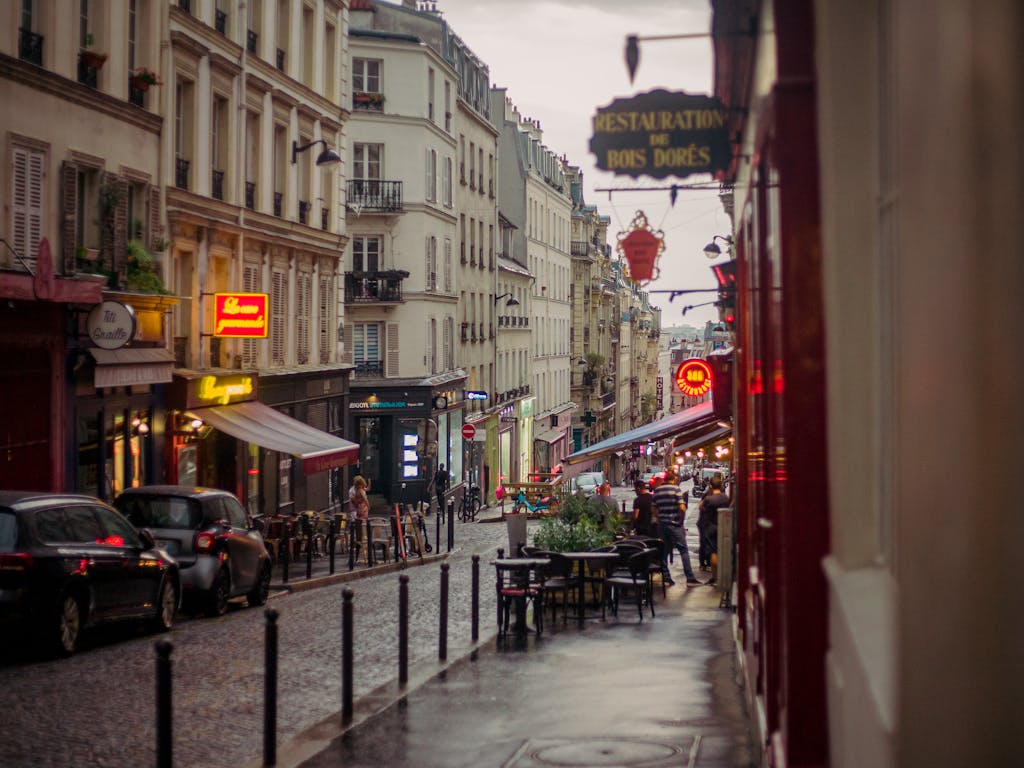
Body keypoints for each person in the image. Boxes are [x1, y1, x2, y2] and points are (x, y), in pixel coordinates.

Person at [652, 469, 701, 586]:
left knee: (664, 551)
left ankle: (666, 576)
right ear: (673, 479)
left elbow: (653, 509)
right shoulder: (676, 489)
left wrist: (659, 519)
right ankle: (689, 577)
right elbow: (682, 508)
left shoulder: (657, 491)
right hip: (675, 524)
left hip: (663, 525)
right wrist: (681, 520)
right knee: (683, 550)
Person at [698, 475, 730, 584]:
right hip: (724, 526)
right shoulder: (725, 498)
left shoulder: (708, 499)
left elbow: (701, 507)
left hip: (711, 528)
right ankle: (723, 575)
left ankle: (715, 577)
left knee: (713, 552)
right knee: (723, 551)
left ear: (711, 486)